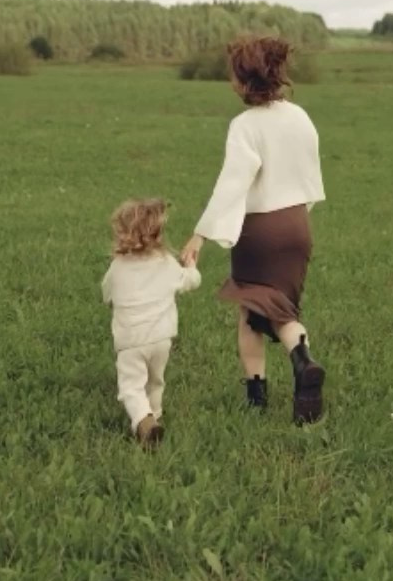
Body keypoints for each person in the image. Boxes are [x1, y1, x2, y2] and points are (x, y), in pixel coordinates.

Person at [182, 36, 326, 423]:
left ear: (243, 81)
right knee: (283, 309)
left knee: (250, 313)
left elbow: (233, 182)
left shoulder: (244, 126)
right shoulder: (300, 117)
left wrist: (201, 233)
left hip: (259, 230)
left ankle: (256, 399)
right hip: (297, 225)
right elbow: (309, 167)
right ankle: (302, 359)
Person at [103, 197, 201, 448]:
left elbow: (107, 294)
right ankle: (155, 415)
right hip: (161, 339)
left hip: (131, 341)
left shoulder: (118, 267)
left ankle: (143, 421)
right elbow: (191, 281)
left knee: (131, 386)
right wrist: (191, 266)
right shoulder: (166, 263)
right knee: (155, 380)